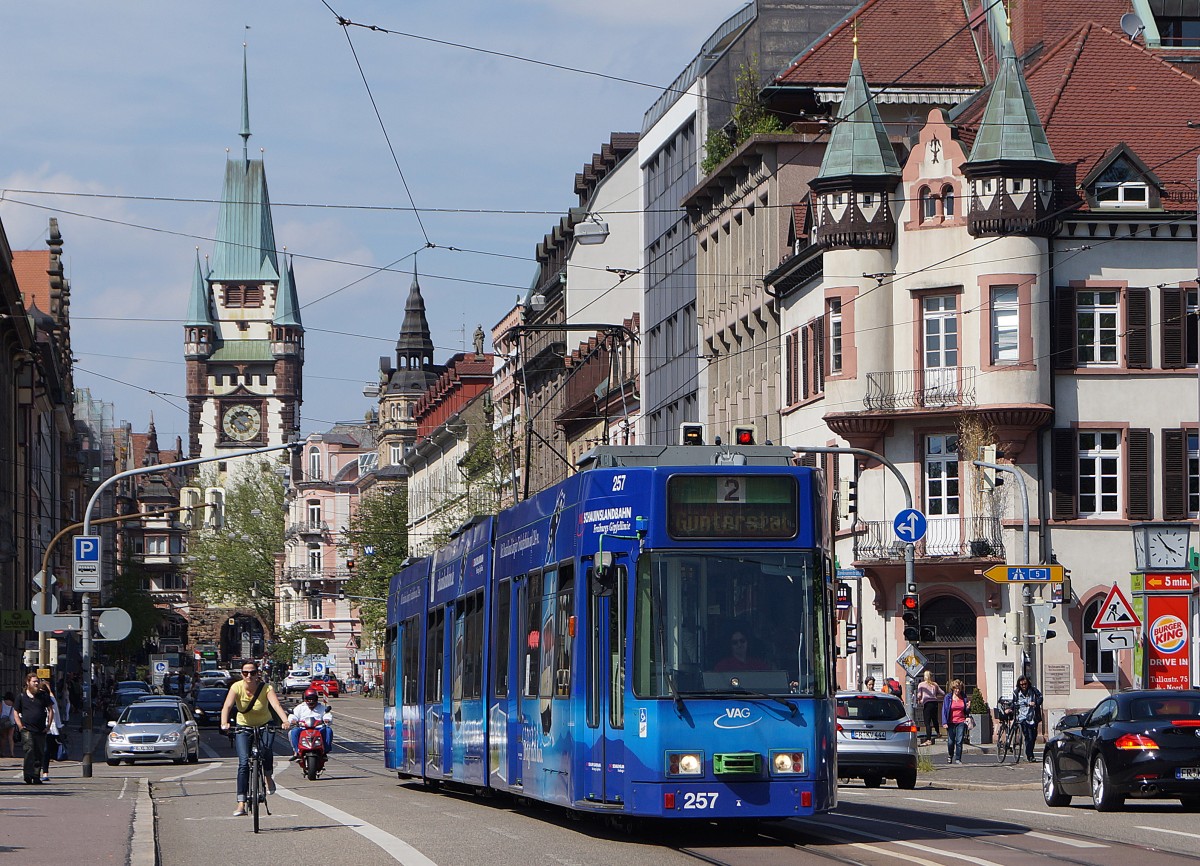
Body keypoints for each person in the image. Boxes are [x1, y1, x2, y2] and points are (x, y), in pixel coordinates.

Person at [220, 662, 291, 817]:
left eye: (252, 673)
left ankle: (268, 776)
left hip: (264, 724)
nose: (249, 676)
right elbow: (226, 706)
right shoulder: (236, 687)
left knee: (266, 750)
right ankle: (241, 803)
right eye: (245, 673)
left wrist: (285, 721)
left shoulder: (266, 688)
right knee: (244, 762)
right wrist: (224, 723)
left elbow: (276, 705)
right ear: (241, 674)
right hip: (243, 726)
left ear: (258, 673)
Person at [14, 672, 54, 784]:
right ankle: (27, 774)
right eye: (34, 681)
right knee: (29, 750)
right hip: (27, 729)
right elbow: (16, 712)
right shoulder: (21, 696)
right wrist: (20, 726)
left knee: (39, 752)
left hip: (41, 729)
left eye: (37, 681)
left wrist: (48, 726)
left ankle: (36, 775)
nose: (37, 683)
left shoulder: (43, 696)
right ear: (28, 682)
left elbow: (51, 710)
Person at [287, 687, 333, 758]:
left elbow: (327, 714)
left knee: (328, 730)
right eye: (309, 700)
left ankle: (325, 751)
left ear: (316, 699)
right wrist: (293, 720)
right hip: (303, 728)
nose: (311, 702)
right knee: (293, 732)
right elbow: (293, 715)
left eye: (313, 700)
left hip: (318, 728)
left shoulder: (322, 707)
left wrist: (327, 719)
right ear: (305, 700)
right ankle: (297, 751)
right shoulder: (300, 707)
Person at [1012, 675, 1044, 763]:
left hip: (1033, 716)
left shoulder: (1033, 690)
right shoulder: (1016, 692)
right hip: (1022, 717)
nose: (1023, 686)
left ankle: (1030, 753)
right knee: (1028, 736)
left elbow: (1041, 697)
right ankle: (1030, 755)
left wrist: (1036, 703)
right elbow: (1013, 703)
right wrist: (1011, 708)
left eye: (1025, 684)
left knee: (1033, 737)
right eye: (1021, 684)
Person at [940, 679, 970, 765]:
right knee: (950, 742)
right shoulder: (948, 697)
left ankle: (958, 759)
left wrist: (968, 707)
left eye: (959, 688)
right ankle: (950, 755)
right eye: (956, 688)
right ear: (953, 688)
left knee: (959, 741)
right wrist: (944, 722)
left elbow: (966, 711)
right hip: (951, 722)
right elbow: (944, 710)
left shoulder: (963, 697)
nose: (957, 690)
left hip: (961, 721)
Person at [916, 671, 945, 745]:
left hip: (927, 703)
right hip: (935, 702)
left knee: (927, 721)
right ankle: (938, 733)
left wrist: (919, 699)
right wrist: (937, 696)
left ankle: (928, 738)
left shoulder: (921, 685)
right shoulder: (935, 684)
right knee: (935, 719)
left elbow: (919, 695)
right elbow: (943, 693)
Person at [0, 691, 16, 758]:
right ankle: (12, 752)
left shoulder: (2, 703)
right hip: (11, 721)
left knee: (3, 737)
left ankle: (2, 752)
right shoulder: (14, 703)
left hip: (3, 721)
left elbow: (0, 711)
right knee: (10, 737)